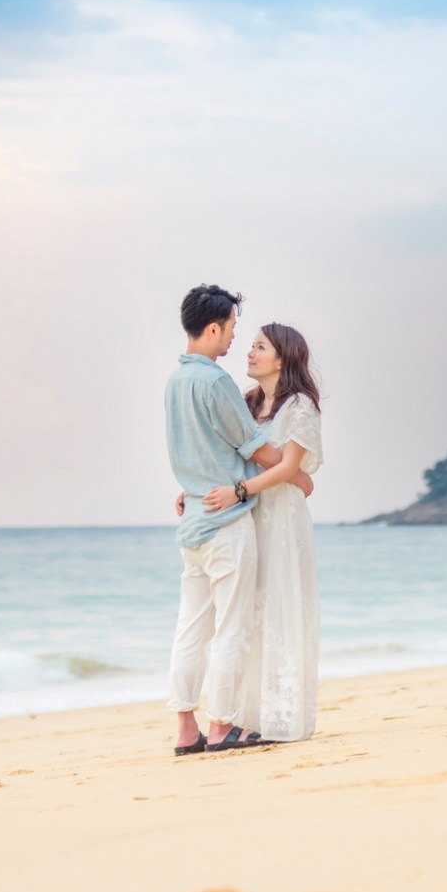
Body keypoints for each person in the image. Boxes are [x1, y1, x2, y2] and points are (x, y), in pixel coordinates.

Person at [164, 285, 312, 757]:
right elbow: (256, 448)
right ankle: (222, 725)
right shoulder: (215, 383)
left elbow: (194, 449)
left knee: (191, 627)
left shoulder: (174, 381)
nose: (234, 340)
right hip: (226, 524)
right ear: (213, 327)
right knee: (231, 628)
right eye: (230, 329)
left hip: (193, 525)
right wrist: (296, 475)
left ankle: (186, 729)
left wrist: (190, 487)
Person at [201, 323, 323, 743]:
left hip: (282, 518)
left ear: (282, 357)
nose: (249, 353)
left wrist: (238, 492)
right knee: (250, 614)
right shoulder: (248, 402)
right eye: (250, 346)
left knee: (282, 607)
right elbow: (226, 455)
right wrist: (195, 491)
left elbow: (291, 468)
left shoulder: (300, 406)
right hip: (250, 515)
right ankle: (247, 716)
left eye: (259, 347)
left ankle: (282, 717)